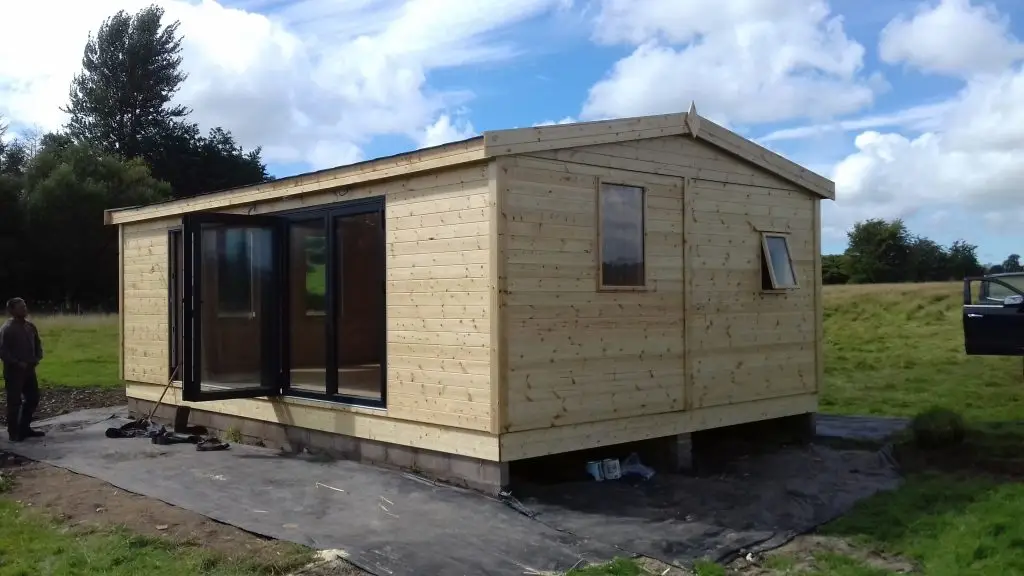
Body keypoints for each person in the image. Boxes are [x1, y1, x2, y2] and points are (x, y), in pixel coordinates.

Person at [0, 298, 45, 441]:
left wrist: (38, 357)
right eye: (20, 307)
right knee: (14, 402)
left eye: (24, 306)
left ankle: (24, 428)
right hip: (14, 371)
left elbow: (37, 342)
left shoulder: (30, 326)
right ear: (12, 311)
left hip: (29, 370)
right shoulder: (7, 328)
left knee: (33, 398)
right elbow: (2, 351)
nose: (24, 309)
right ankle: (14, 433)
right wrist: (17, 363)